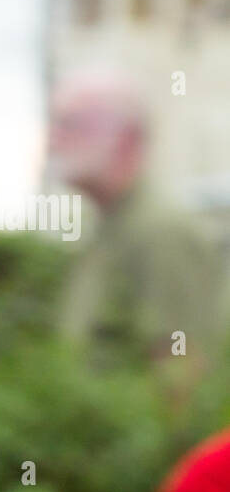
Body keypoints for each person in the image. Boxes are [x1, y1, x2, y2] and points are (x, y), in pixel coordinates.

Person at [48, 67, 225, 384]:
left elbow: (182, 374)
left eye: (69, 124)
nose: (53, 140)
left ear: (124, 138)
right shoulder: (108, 225)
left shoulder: (162, 231)